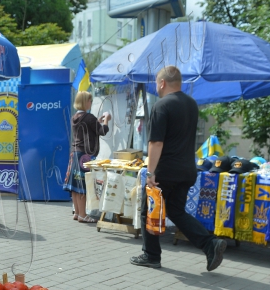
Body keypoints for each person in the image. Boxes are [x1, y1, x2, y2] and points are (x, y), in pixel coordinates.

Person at [131, 66, 227, 271]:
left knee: (149, 210)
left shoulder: (162, 105)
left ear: (162, 83)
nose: (157, 87)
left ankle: (151, 255)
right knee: (176, 211)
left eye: (157, 83)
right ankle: (210, 244)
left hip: (166, 170)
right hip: (187, 170)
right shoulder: (191, 104)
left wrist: (150, 172)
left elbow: (156, 143)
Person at [63, 91, 111, 223]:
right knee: (83, 185)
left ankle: (78, 213)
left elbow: (91, 127)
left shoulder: (75, 117)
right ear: (85, 102)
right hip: (85, 155)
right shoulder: (89, 117)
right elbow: (102, 131)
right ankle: (83, 215)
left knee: (74, 185)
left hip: (75, 153)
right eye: (89, 101)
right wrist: (106, 120)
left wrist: (97, 121)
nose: (91, 103)